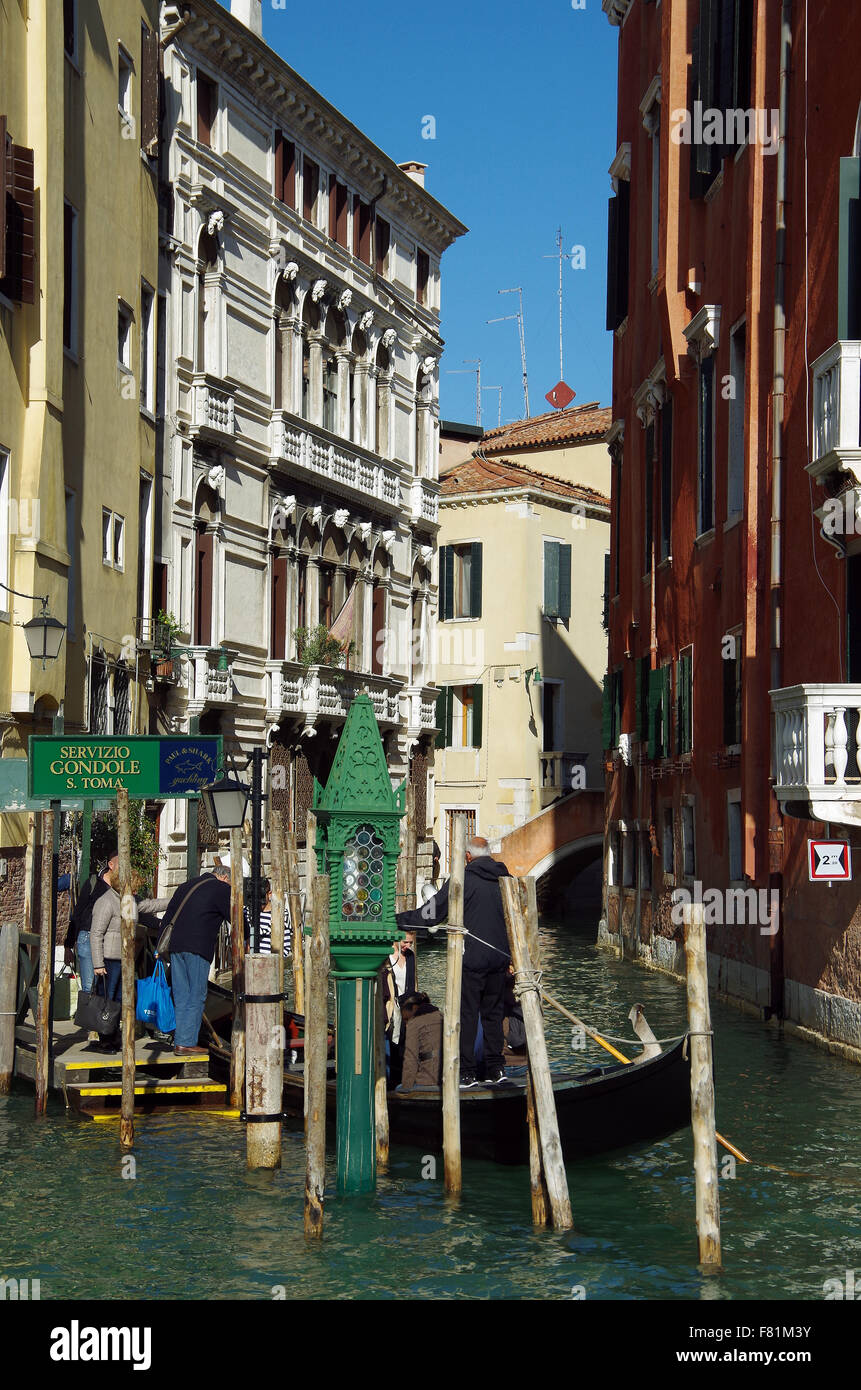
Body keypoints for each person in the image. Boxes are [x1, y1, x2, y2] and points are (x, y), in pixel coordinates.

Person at [397, 836, 511, 1087]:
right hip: (500, 959)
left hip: (471, 959)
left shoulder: (462, 879)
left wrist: (398, 920)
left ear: (468, 857)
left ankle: (467, 1072)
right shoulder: (506, 878)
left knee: (467, 1015)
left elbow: (432, 914)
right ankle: (496, 1069)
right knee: (493, 1015)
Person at [90, 871, 172, 1049]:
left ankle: (113, 1035)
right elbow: (96, 934)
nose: (136, 891)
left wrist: (175, 900)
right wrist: (98, 963)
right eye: (134, 887)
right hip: (109, 959)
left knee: (120, 999)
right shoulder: (106, 901)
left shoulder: (129, 901)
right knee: (107, 999)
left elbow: (150, 905)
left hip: (125, 958)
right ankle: (105, 1038)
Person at [163, 864, 232, 1055]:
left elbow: (168, 916)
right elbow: (234, 916)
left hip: (176, 946)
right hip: (198, 948)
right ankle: (186, 1042)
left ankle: (180, 1039)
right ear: (224, 878)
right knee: (196, 995)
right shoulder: (222, 889)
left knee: (181, 994)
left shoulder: (186, 885)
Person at [65, 849, 119, 994]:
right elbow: (77, 914)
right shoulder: (93, 883)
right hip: (88, 938)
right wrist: (68, 946)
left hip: (109, 942)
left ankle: (100, 1016)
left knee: (105, 989)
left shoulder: (121, 888)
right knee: (89, 986)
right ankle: (86, 1016)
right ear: (111, 865)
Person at [381, 932, 416, 1085]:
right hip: (393, 1004)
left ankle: (403, 1075)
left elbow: (412, 981)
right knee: (393, 1037)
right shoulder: (387, 957)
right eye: (405, 942)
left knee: (406, 1040)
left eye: (410, 943)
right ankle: (393, 1077)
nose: (407, 946)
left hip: (407, 1004)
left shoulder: (410, 956)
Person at [395, 991, 442, 1092]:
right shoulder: (441, 1016)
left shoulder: (414, 1023)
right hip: (447, 1077)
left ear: (414, 1008)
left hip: (428, 1080)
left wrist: (406, 1087)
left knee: (398, 1089)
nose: (406, 1024)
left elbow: (410, 1060)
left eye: (406, 1019)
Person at [243, 879, 291, 956]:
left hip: (271, 964)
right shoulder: (245, 913)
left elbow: (285, 948)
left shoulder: (281, 914)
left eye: (260, 896)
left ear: (269, 894)